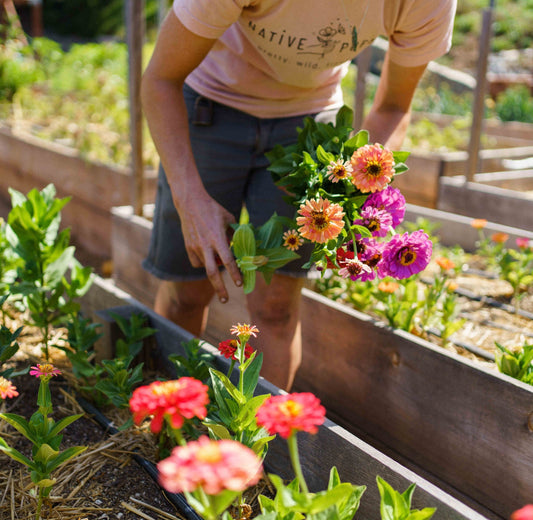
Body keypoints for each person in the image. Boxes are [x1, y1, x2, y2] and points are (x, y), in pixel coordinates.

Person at [141, 0, 457, 391]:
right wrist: (189, 198)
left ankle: (259, 447)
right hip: (211, 103)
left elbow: (393, 106)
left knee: (275, 310)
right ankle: (169, 426)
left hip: (308, 125)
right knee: (188, 290)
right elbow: (160, 79)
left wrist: (359, 193)